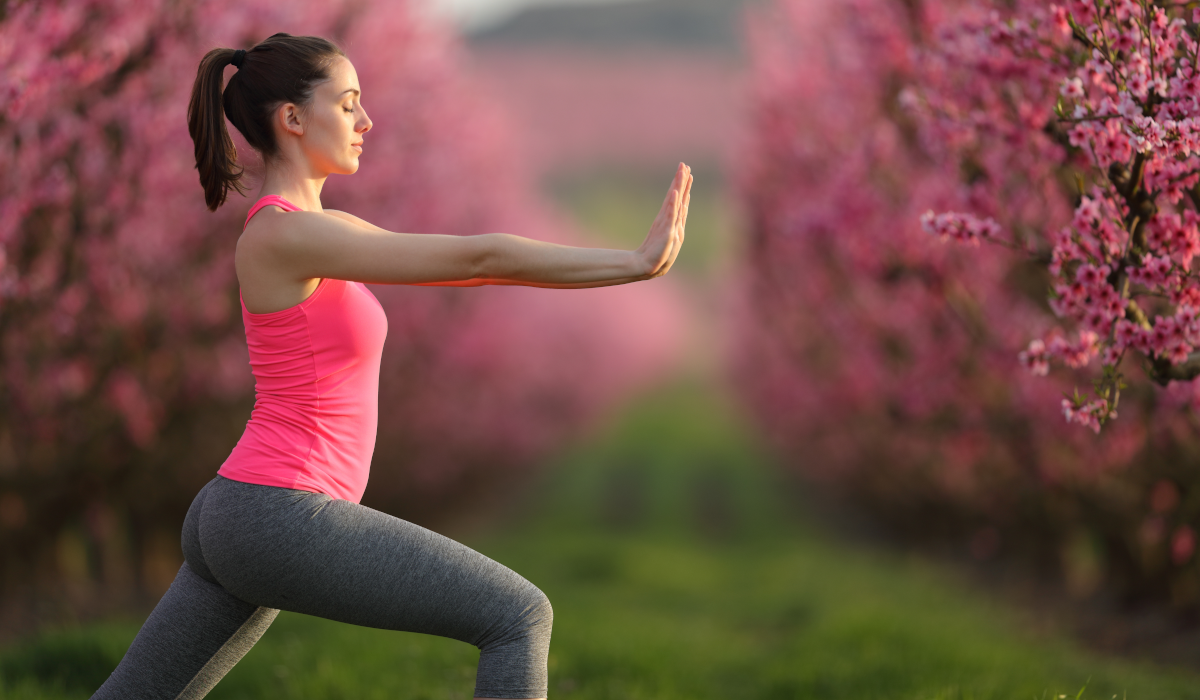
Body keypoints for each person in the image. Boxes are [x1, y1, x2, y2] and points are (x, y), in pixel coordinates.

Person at [91, 32, 690, 700]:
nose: (366, 121)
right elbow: (479, 259)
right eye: (348, 104)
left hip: (247, 510)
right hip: (275, 510)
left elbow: (473, 273)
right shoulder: (285, 234)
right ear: (291, 119)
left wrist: (624, 268)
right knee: (517, 616)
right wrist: (630, 265)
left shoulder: (316, 232)